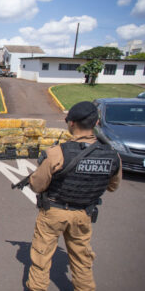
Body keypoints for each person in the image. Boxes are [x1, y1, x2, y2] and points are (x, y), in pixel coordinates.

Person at [26, 101, 122, 291]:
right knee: (82, 261)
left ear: (71, 123)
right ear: (96, 124)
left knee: (41, 258)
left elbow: (37, 185)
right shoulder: (112, 155)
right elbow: (113, 186)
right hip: (83, 214)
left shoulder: (57, 153)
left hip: (54, 212)